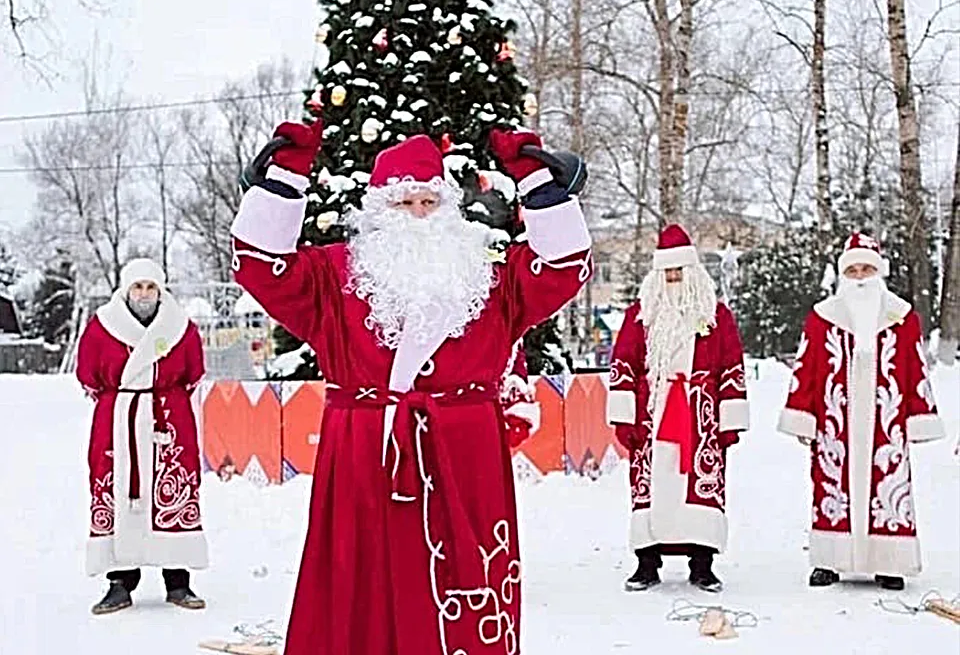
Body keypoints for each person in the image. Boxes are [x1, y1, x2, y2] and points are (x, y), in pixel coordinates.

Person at [230, 120, 592, 655]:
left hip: (465, 459)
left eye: (430, 202)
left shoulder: (488, 276)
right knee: (365, 587)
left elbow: (563, 267)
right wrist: (283, 182)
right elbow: (261, 269)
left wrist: (539, 184)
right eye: (405, 204)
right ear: (379, 213)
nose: (421, 215)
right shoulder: (334, 276)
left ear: (449, 208)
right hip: (367, 456)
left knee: (464, 589)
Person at [778, 232, 945, 591]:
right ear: (842, 275)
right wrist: (801, 414)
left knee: (888, 487)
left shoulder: (902, 318)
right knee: (830, 488)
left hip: (887, 421)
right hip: (835, 421)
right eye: (852, 270)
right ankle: (829, 560)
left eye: (866, 269)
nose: (859, 277)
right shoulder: (823, 317)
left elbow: (914, 367)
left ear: (879, 273)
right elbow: (806, 367)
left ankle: (889, 561)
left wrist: (919, 414)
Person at [606, 224, 748, 593]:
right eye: (666, 272)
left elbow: (732, 366)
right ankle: (646, 563)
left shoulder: (716, 316)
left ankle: (702, 564)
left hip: (700, 419)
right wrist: (625, 416)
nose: (672, 278)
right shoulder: (641, 316)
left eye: (679, 271)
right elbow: (623, 363)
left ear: (692, 273)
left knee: (701, 489)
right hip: (651, 414)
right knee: (647, 490)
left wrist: (729, 419)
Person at [76, 258, 208, 614]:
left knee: (172, 490)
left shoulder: (182, 328)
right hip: (117, 419)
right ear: (126, 290)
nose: (144, 294)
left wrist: (162, 398)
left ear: (161, 290)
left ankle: (178, 583)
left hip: (169, 417)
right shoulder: (102, 326)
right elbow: (87, 375)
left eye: (151, 287)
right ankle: (119, 583)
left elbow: (194, 373)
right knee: (116, 489)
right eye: (138, 287)